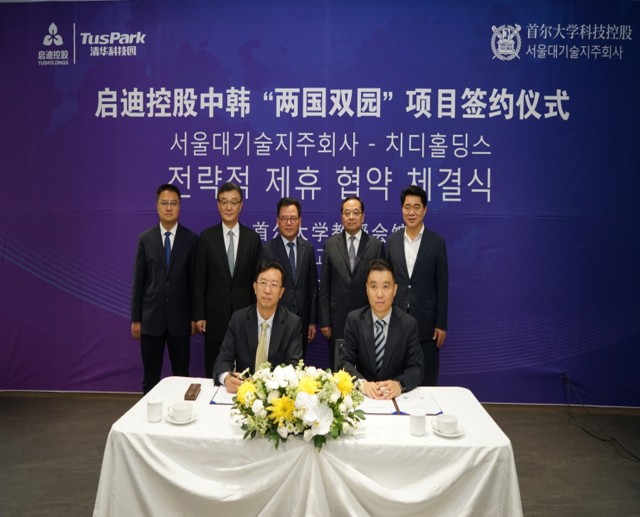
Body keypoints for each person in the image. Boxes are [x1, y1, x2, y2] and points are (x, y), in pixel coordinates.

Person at [130, 184, 199, 394]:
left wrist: (195, 317)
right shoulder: (145, 239)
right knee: (151, 377)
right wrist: (136, 319)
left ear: (180, 206)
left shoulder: (191, 239)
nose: (169, 208)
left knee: (181, 376)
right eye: (164, 203)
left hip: (180, 321)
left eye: (173, 203)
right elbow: (138, 282)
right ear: (157, 206)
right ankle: (148, 413)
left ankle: (182, 411)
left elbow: (194, 283)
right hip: (151, 321)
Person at [194, 182, 261, 378]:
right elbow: (200, 279)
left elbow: (256, 281)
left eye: (234, 202)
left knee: (245, 373)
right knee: (215, 371)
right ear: (218, 205)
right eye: (224, 202)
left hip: (245, 317)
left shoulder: (252, 238)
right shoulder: (207, 237)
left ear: (241, 205)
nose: (229, 207)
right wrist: (199, 315)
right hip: (214, 318)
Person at [385, 185, 448, 386]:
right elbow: (386, 282)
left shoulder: (436, 242)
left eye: (416, 207)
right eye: (407, 207)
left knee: (426, 376)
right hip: (396, 318)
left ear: (425, 210)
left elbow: (442, 285)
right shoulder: (392, 241)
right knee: (396, 375)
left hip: (427, 322)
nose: (411, 212)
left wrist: (441, 323)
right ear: (401, 209)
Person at [213, 260, 303, 393]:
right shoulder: (238, 319)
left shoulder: (292, 323)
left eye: (274, 285)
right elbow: (223, 360)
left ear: (281, 292)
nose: (267, 290)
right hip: (243, 392)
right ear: (255, 287)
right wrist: (226, 378)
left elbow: (293, 367)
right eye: (263, 283)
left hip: (274, 396)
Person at [339, 258, 423, 399]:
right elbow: (344, 362)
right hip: (364, 397)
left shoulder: (408, 324)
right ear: (366, 289)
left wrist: (400, 385)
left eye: (385, 287)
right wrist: (361, 384)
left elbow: (417, 368)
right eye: (373, 287)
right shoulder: (354, 320)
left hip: (395, 398)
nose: (379, 294)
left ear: (395, 289)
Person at [319, 196, 384, 369]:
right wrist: (325, 321)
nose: (351, 217)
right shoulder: (331, 244)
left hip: (367, 318)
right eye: (347, 213)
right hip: (337, 319)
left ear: (363, 217)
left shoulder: (375, 246)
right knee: (339, 368)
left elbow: (381, 285)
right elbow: (324, 286)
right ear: (341, 217)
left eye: (356, 213)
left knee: (366, 367)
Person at [259, 197, 318, 355]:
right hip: (276, 318)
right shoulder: (268, 250)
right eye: (284, 219)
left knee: (299, 361)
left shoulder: (308, 248)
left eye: (293, 218)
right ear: (277, 221)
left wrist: (312, 321)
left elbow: (312, 287)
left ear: (300, 221)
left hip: (302, 320)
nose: (289, 223)